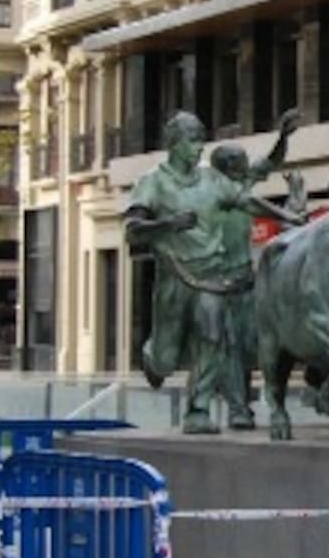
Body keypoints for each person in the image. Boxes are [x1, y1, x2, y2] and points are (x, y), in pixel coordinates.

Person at [124, 110, 302, 434]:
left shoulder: (213, 179)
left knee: (213, 338)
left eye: (201, 142)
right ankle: (153, 356)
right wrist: (169, 224)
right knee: (166, 358)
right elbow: (133, 230)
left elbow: (248, 202)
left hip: (212, 278)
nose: (198, 149)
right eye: (192, 142)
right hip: (175, 277)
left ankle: (198, 410)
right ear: (174, 144)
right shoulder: (153, 182)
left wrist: (290, 218)